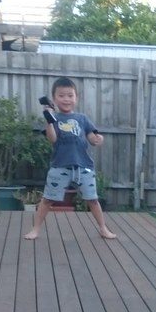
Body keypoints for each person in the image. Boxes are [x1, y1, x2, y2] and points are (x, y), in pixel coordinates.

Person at [24, 77, 116, 240]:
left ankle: (103, 228)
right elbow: (52, 139)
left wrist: (98, 139)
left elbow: (92, 139)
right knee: (47, 200)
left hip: (83, 167)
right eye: (61, 95)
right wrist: (49, 120)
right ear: (54, 99)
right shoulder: (54, 119)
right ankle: (36, 229)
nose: (66, 99)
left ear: (76, 98)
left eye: (70, 95)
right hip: (60, 166)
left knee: (93, 200)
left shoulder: (82, 119)